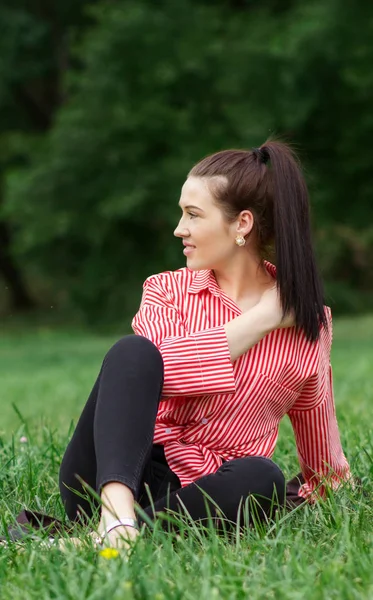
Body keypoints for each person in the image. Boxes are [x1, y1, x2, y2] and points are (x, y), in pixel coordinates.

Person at [59, 140, 351, 551]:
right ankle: (115, 519)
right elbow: (157, 373)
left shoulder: (308, 323)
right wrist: (264, 319)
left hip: (196, 498)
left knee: (263, 475)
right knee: (133, 352)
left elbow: (320, 446)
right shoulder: (165, 290)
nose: (180, 228)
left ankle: (123, 538)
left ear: (242, 224)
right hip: (113, 475)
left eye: (193, 215)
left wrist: (322, 488)